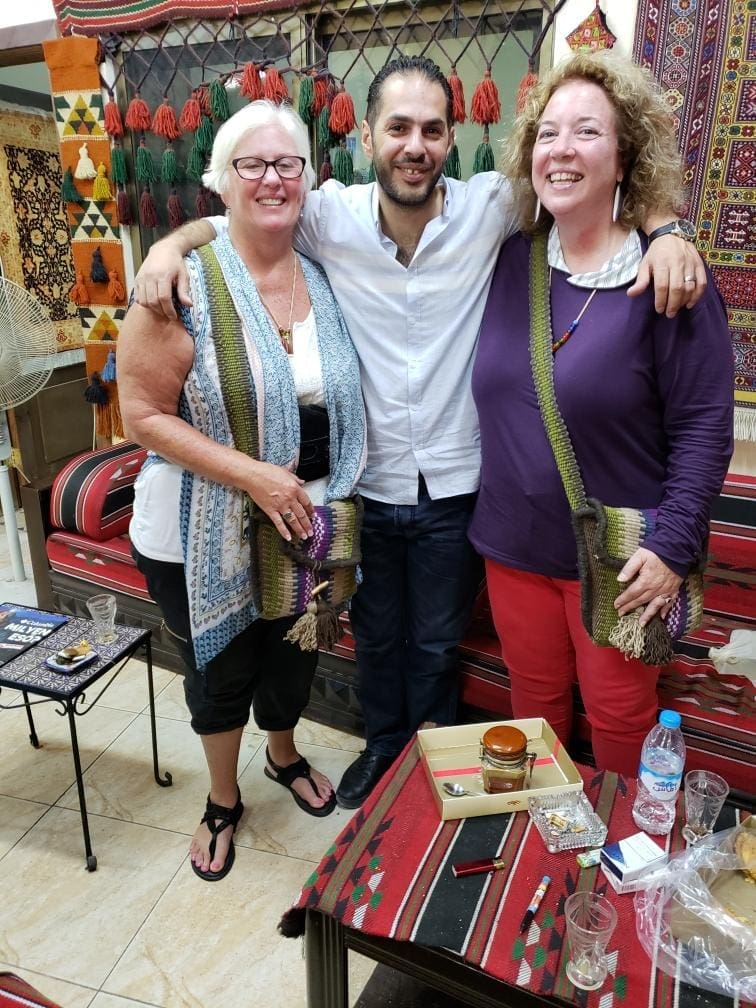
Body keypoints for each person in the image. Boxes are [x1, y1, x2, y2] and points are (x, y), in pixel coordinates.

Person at [132, 57, 706, 809]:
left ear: (451, 138)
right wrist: (169, 246)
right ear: (368, 137)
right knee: (374, 634)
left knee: (436, 638)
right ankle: (382, 748)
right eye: (398, 127)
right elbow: (245, 205)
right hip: (367, 482)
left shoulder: (492, 209)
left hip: (457, 484)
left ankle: (432, 758)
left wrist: (668, 229)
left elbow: (594, 180)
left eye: (432, 130)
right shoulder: (328, 215)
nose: (415, 145)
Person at [117, 100, 366, 881]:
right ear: (220, 181)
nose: (271, 179)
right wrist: (251, 474)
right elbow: (140, 415)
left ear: (308, 179)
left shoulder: (322, 276)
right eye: (250, 165)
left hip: (309, 521)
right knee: (221, 670)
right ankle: (222, 799)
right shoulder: (179, 283)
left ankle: (282, 754)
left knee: (295, 654)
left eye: (287, 164)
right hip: (202, 526)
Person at [469, 51, 734, 775]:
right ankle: (544, 840)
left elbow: (705, 426)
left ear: (624, 159)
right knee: (533, 705)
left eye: (587, 132)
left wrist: (674, 546)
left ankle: (620, 840)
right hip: (512, 548)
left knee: (619, 718)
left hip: (623, 560)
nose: (561, 149)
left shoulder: (669, 275)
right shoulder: (509, 260)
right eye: (548, 133)